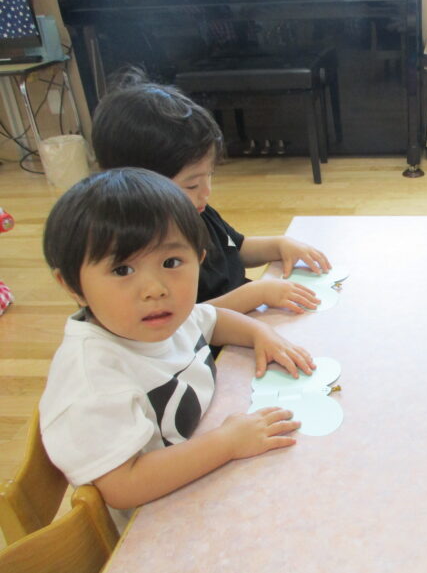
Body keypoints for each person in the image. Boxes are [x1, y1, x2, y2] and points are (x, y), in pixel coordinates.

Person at [39, 168, 315, 526]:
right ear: (72, 285)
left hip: (205, 476)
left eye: (171, 263)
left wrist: (260, 334)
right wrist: (227, 443)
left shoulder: (160, 317)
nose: (155, 288)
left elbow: (210, 319)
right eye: (122, 270)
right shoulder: (92, 382)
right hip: (156, 523)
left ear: (199, 259)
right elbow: (123, 485)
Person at [91, 70, 331, 314]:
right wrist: (255, 294)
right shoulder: (147, 249)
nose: (207, 191)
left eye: (209, 176)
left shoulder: (198, 211)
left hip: (250, 319)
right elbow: (185, 319)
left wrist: (279, 245)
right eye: (191, 185)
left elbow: (236, 249)